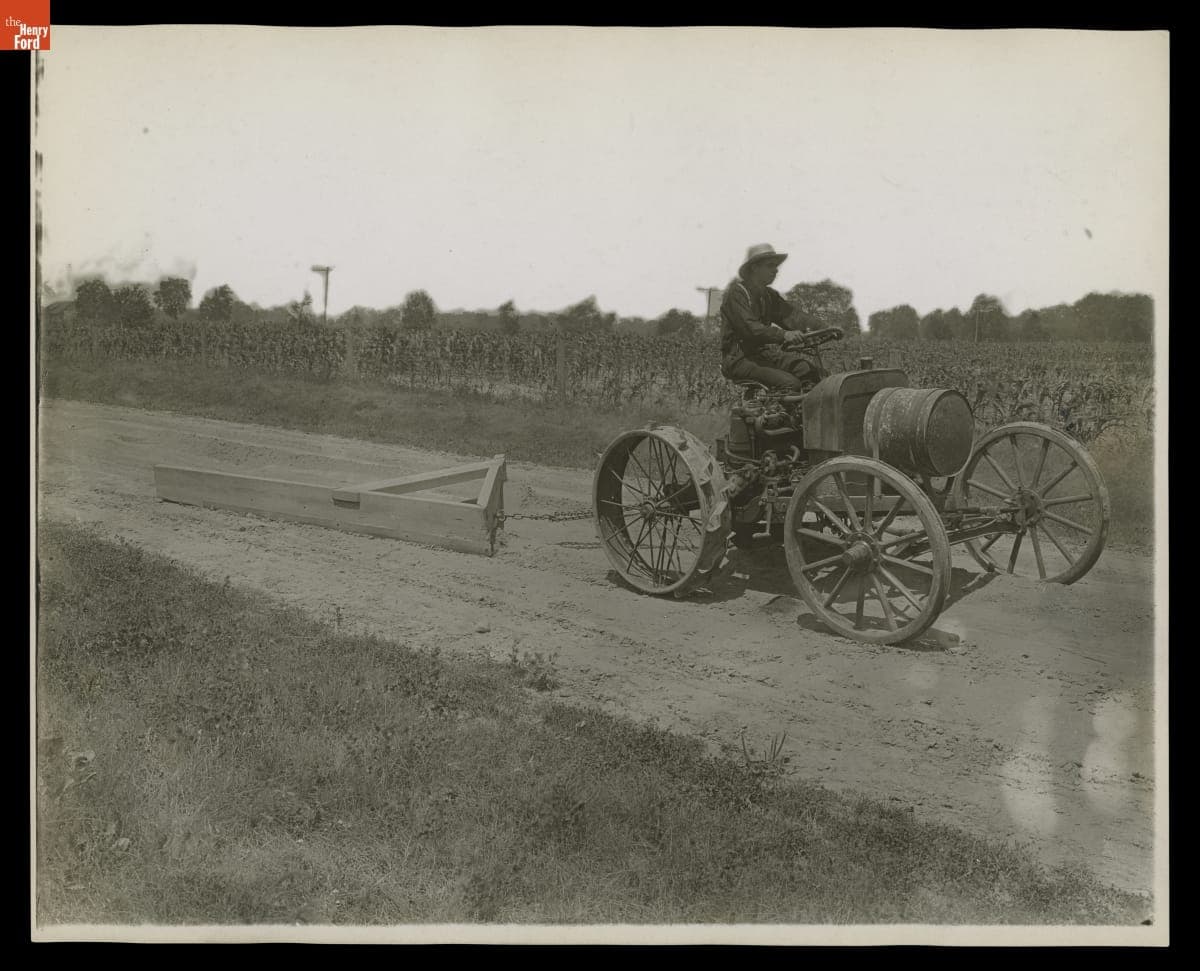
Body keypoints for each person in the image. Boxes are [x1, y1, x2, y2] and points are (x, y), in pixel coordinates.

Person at [719, 243, 825, 391]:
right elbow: (751, 329)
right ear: (754, 267)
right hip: (738, 359)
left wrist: (824, 328)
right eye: (770, 266)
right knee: (790, 384)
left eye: (776, 266)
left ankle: (808, 412)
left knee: (808, 370)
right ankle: (781, 413)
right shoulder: (737, 294)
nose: (775, 271)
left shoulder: (769, 296)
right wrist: (784, 334)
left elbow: (793, 316)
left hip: (762, 356)